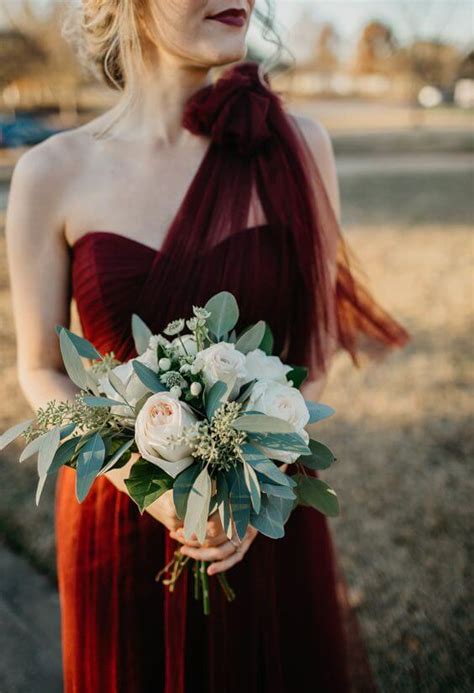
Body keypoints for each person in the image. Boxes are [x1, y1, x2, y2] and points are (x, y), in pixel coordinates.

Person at [5, 1, 410, 691]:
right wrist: (145, 478)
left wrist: (248, 477)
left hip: (263, 513)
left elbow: (312, 341)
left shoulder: (299, 145)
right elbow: (41, 368)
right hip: (123, 517)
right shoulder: (52, 171)